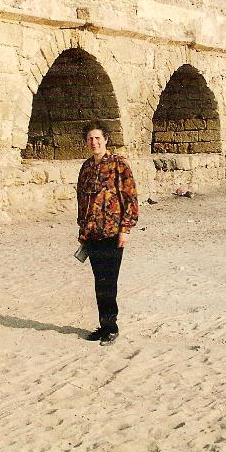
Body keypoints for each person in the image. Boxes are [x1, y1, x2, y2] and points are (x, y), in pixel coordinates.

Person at [76, 120, 139, 346]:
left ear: (106, 140)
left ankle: (111, 328)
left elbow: (130, 198)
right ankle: (103, 326)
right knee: (99, 281)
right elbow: (82, 200)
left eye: (97, 138)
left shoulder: (119, 164)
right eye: (90, 139)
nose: (94, 142)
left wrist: (126, 230)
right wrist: (82, 228)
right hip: (92, 234)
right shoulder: (86, 167)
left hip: (113, 232)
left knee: (109, 281)